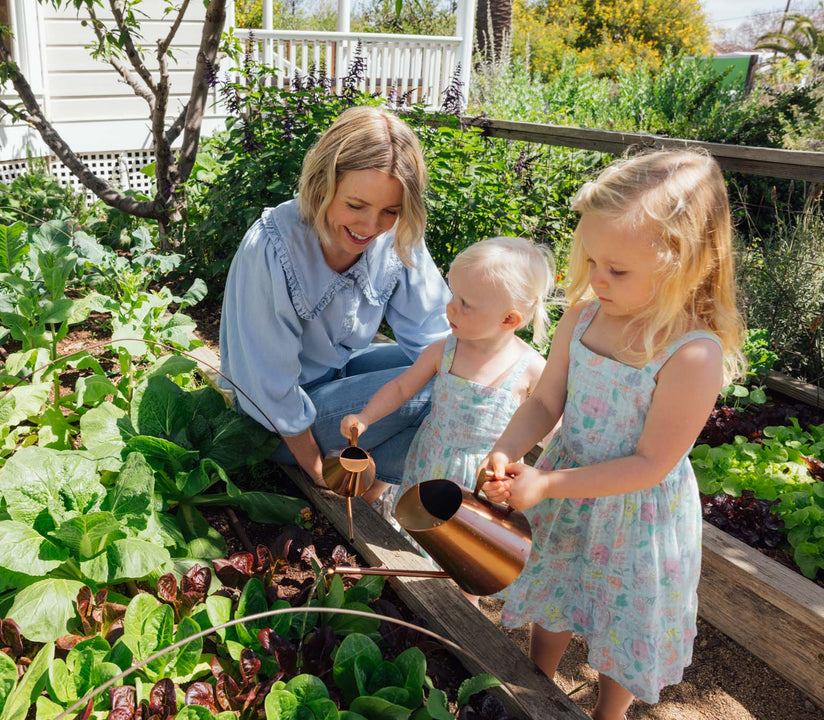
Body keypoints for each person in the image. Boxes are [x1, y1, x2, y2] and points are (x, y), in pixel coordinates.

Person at [480, 149, 745, 720]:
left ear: (686, 264)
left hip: (635, 515)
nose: (597, 278)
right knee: (554, 594)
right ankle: (537, 684)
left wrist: (548, 485)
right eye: (592, 259)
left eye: (617, 270)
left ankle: (609, 712)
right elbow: (547, 400)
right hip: (566, 489)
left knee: (621, 621)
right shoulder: (582, 318)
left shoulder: (691, 353)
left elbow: (650, 462)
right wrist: (508, 448)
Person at [219, 106, 452, 497]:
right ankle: (369, 480)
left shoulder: (397, 235)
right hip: (278, 422)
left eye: (389, 211)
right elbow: (268, 386)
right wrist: (319, 471)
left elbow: (439, 335)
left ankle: (373, 482)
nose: (370, 227)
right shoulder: (273, 246)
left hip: (338, 382)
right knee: (439, 394)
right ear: (321, 185)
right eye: (356, 206)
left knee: (458, 368)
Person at [338, 236, 553, 517]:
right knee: (416, 523)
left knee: (461, 544)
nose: (450, 308)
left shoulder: (531, 368)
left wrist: (537, 480)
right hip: (428, 463)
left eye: (465, 304)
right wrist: (366, 417)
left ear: (508, 320)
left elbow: (552, 431)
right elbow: (402, 387)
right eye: (453, 295)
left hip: (483, 482)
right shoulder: (446, 350)